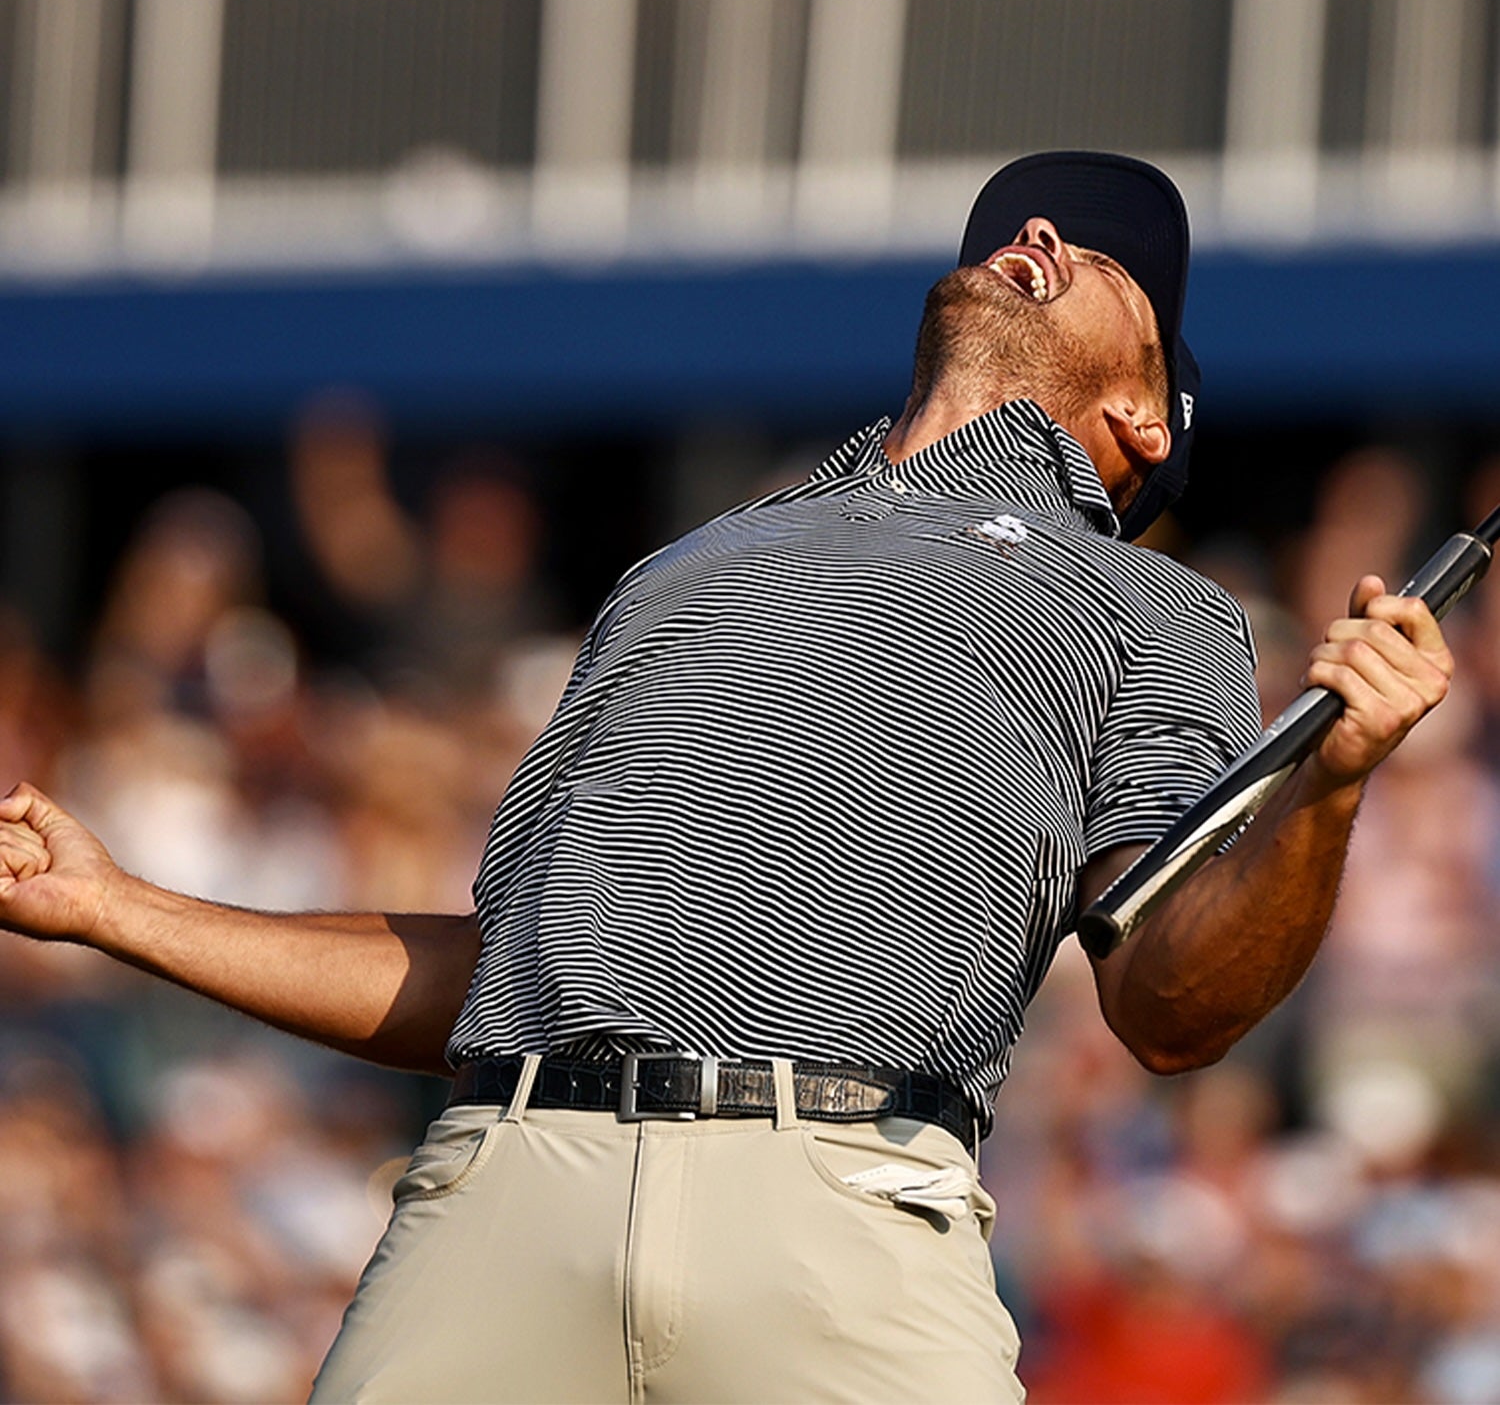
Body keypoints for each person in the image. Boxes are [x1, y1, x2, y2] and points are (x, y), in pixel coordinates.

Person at [0, 153, 1455, 1403]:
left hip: (846, 1201)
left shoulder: (1149, 607)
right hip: (509, 1181)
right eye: (1018, 225)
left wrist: (1325, 790)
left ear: (1144, 427)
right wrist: (124, 909)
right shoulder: (681, 571)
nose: (1038, 239)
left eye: (1100, 256)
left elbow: (1170, 1010)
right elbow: (498, 980)